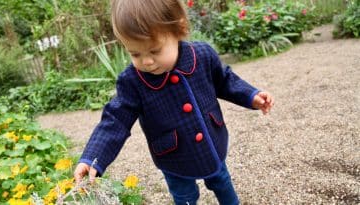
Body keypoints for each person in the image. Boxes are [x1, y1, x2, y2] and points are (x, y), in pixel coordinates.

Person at [74, 0, 274, 204]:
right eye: (135, 53)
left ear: (179, 29)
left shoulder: (202, 55)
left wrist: (251, 95)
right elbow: (115, 121)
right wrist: (93, 157)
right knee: (184, 197)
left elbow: (224, 80)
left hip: (210, 142)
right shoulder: (132, 81)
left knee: (221, 180)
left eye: (155, 51)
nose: (146, 61)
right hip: (173, 157)